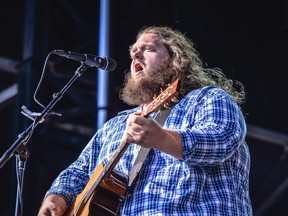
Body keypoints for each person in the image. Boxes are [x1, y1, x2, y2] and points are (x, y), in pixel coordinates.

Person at [38, 26, 253, 215]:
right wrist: (56, 197)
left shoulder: (207, 98)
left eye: (148, 49)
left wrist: (162, 138)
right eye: (133, 53)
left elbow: (221, 140)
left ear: (175, 59)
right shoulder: (114, 126)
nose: (136, 56)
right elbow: (79, 171)